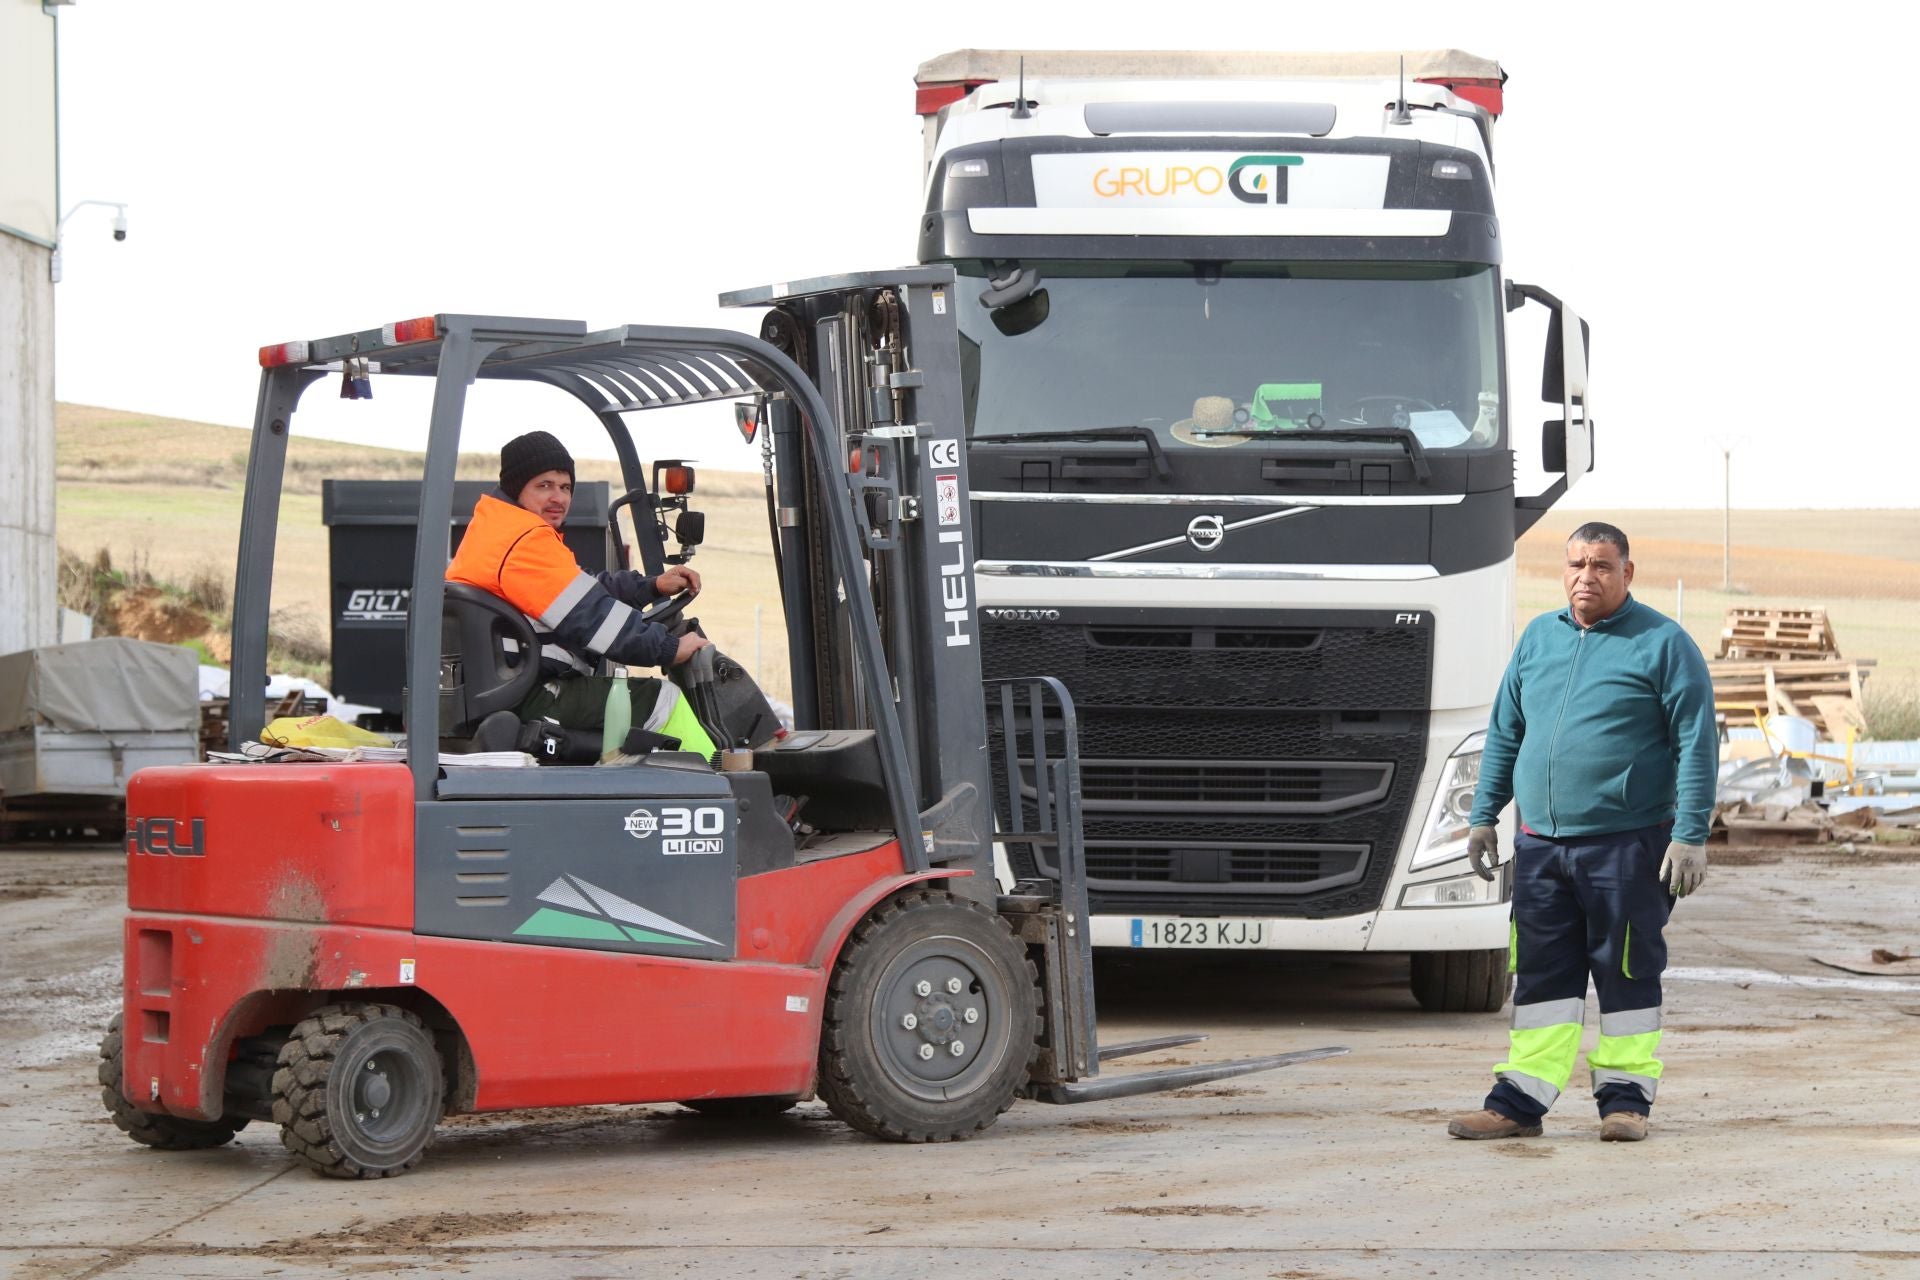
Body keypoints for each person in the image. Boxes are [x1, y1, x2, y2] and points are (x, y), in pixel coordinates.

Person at [1447, 521, 1716, 1143]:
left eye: (1600, 565)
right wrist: (1484, 816)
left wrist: (1692, 834)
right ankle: (1518, 1102)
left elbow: (1697, 745)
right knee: (1541, 977)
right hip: (1541, 846)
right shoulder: (1539, 638)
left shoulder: (1663, 644)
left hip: (1628, 843)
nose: (1585, 577)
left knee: (1625, 971)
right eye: (1575, 564)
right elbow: (1505, 732)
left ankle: (1625, 1101)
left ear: (1627, 572)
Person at [445, 430, 716, 758]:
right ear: (517, 488)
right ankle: (720, 791)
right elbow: (592, 618)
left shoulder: (500, 531)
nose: (558, 497)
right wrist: (669, 648)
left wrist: (651, 586)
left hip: (508, 688)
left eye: (565, 487)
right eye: (544, 486)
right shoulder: (524, 541)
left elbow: (583, 592)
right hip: (530, 694)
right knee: (663, 699)